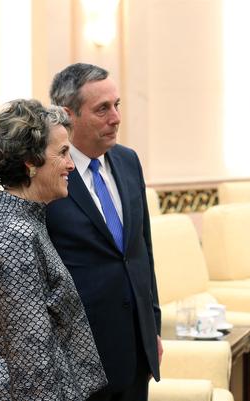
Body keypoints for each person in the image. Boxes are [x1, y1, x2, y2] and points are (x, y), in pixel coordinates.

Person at [0, 99, 107, 400]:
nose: (70, 164)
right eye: (63, 153)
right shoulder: (15, 234)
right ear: (30, 161)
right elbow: (31, 359)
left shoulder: (13, 215)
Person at [46, 63, 162, 401]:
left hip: (137, 350)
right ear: (68, 116)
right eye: (102, 109)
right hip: (80, 357)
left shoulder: (128, 161)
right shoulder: (48, 175)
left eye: (117, 105)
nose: (116, 117)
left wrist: (151, 325)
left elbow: (142, 251)